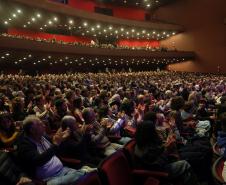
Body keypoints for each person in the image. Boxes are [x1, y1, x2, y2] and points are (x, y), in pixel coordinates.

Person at [18, 115, 86, 185]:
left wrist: (62, 138)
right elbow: (38, 160)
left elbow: (54, 143)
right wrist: (56, 144)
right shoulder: (25, 145)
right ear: (32, 130)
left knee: (84, 178)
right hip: (49, 178)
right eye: (40, 124)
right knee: (83, 175)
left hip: (63, 170)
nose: (44, 125)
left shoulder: (42, 136)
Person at [134, 121, 199, 185]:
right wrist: (167, 148)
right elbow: (156, 161)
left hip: (162, 164)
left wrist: (167, 145)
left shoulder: (142, 143)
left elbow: (159, 151)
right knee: (185, 164)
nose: (155, 131)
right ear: (149, 133)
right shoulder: (146, 150)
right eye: (153, 130)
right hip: (159, 172)